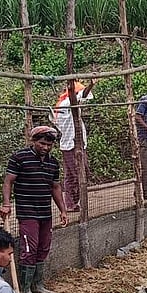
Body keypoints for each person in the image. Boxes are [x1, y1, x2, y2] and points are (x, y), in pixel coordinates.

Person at [1, 126, 69, 293]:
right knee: (29, 248)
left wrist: (62, 209)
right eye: (42, 143)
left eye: (49, 145)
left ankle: (38, 285)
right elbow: (8, 181)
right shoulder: (19, 158)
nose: (45, 147)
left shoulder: (52, 163)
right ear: (33, 141)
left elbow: (55, 187)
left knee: (43, 247)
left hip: (45, 211)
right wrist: (6, 204)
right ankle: (25, 289)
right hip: (27, 211)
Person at [51, 80, 95, 212]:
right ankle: (72, 202)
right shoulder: (67, 104)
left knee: (72, 175)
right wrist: (91, 85)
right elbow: (83, 95)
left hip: (74, 144)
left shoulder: (64, 105)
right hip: (71, 145)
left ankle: (71, 203)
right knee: (77, 173)